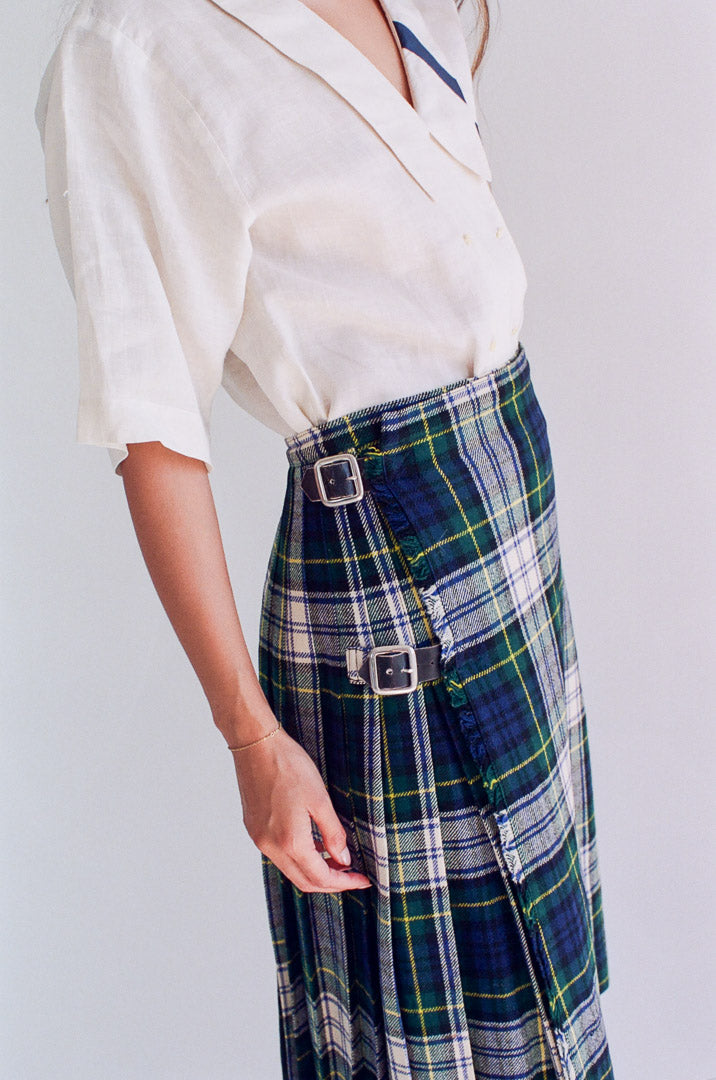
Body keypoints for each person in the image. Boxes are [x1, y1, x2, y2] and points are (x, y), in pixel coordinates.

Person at [35, 0, 613, 1076]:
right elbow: (153, 431)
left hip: (511, 545)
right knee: (440, 1040)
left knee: (550, 1012)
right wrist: (251, 740)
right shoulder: (130, 44)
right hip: (389, 588)